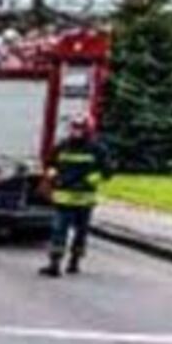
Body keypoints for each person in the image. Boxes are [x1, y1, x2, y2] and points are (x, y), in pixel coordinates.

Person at [41, 116, 109, 277]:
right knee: (58, 231)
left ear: (88, 130)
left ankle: (74, 261)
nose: (76, 131)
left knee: (81, 232)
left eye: (80, 128)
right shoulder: (62, 146)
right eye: (74, 128)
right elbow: (50, 163)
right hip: (63, 198)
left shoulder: (97, 149)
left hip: (85, 199)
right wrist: (54, 177)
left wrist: (89, 181)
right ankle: (54, 264)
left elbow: (107, 171)